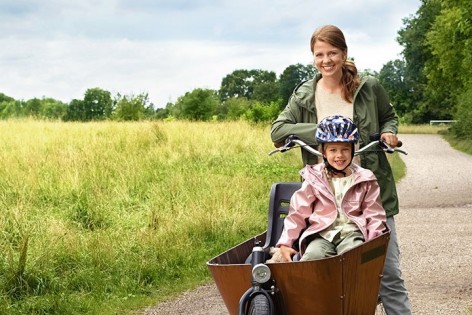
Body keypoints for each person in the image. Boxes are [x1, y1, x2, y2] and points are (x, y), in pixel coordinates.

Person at [270, 25, 412, 315]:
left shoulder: (368, 87)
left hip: (370, 191)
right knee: (319, 271)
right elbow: (279, 130)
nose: (326, 60)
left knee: (387, 272)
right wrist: (325, 133)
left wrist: (388, 133)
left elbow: (389, 117)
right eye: (319, 54)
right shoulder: (305, 94)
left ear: (344, 53)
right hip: (325, 198)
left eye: (332, 53)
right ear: (313, 57)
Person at [276, 115, 387, 262]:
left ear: (353, 150)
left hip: (352, 234)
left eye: (345, 149)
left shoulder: (365, 179)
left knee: (353, 258)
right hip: (322, 234)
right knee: (312, 259)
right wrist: (285, 243)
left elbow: (374, 214)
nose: (339, 155)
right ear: (323, 152)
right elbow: (298, 212)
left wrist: (374, 243)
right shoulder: (314, 178)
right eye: (333, 150)